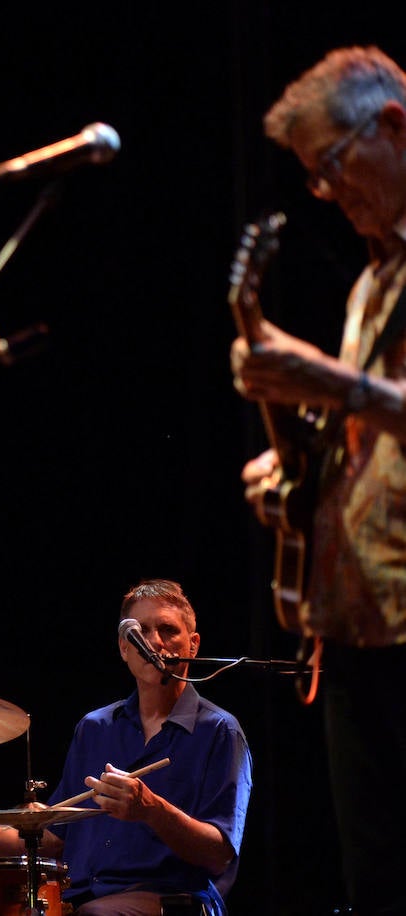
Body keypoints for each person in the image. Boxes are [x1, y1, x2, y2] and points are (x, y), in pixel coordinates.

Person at [231, 45, 406, 915]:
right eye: (314, 176)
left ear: (394, 126)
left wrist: (331, 382)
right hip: (353, 621)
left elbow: (366, 401)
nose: (329, 193)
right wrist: (299, 472)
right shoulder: (373, 285)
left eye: (332, 163)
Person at [0, 579, 251, 916]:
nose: (154, 642)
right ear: (124, 648)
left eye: (168, 630)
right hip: (83, 900)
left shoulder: (219, 731)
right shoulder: (95, 728)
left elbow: (219, 854)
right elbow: (54, 839)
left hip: (173, 901)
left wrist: (151, 809)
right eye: (141, 632)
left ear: (193, 644)